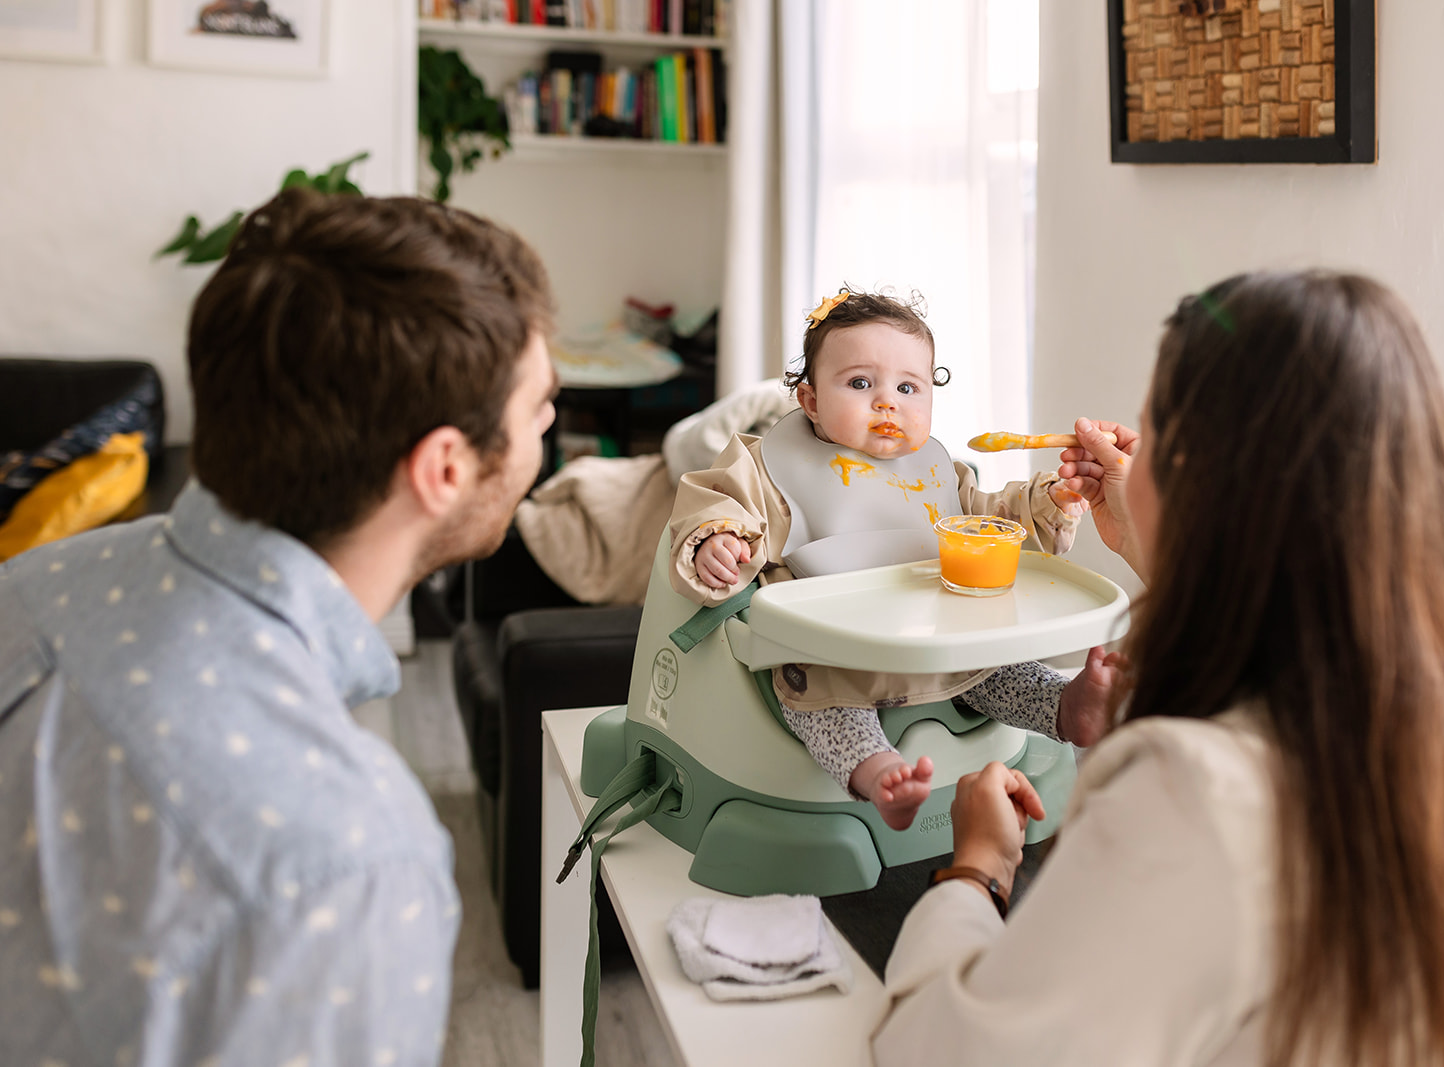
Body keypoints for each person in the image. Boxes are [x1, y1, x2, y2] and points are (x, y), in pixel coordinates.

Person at [872, 270, 1444, 1065]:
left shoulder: (1194, 794)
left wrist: (976, 868)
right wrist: (1158, 535)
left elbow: (940, 1049)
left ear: (1193, 471)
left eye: (1148, 435)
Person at [0, 188, 558, 1067]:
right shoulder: (349, 861)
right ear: (444, 468)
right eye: (538, 409)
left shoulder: (32, 582)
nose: (546, 431)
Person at [667, 287, 1124, 830]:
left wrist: (1051, 499)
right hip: (832, 649)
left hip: (939, 635)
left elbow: (989, 522)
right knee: (824, 705)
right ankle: (880, 775)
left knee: (1001, 669)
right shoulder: (769, 466)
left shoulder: (938, 471)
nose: (887, 402)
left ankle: (1067, 707)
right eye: (860, 383)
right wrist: (718, 539)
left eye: (909, 387)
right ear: (810, 401)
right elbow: (715, 501)